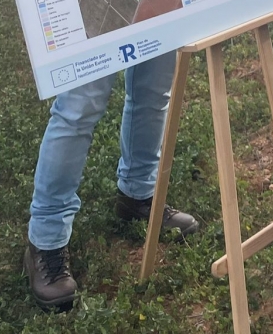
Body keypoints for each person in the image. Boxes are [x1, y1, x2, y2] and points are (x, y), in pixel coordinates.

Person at [23, 55, 200, 309]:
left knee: (153, 91)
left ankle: (137, 195)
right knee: (79, 105)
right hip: (94, 17)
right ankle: (45, 239)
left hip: (156, 13)